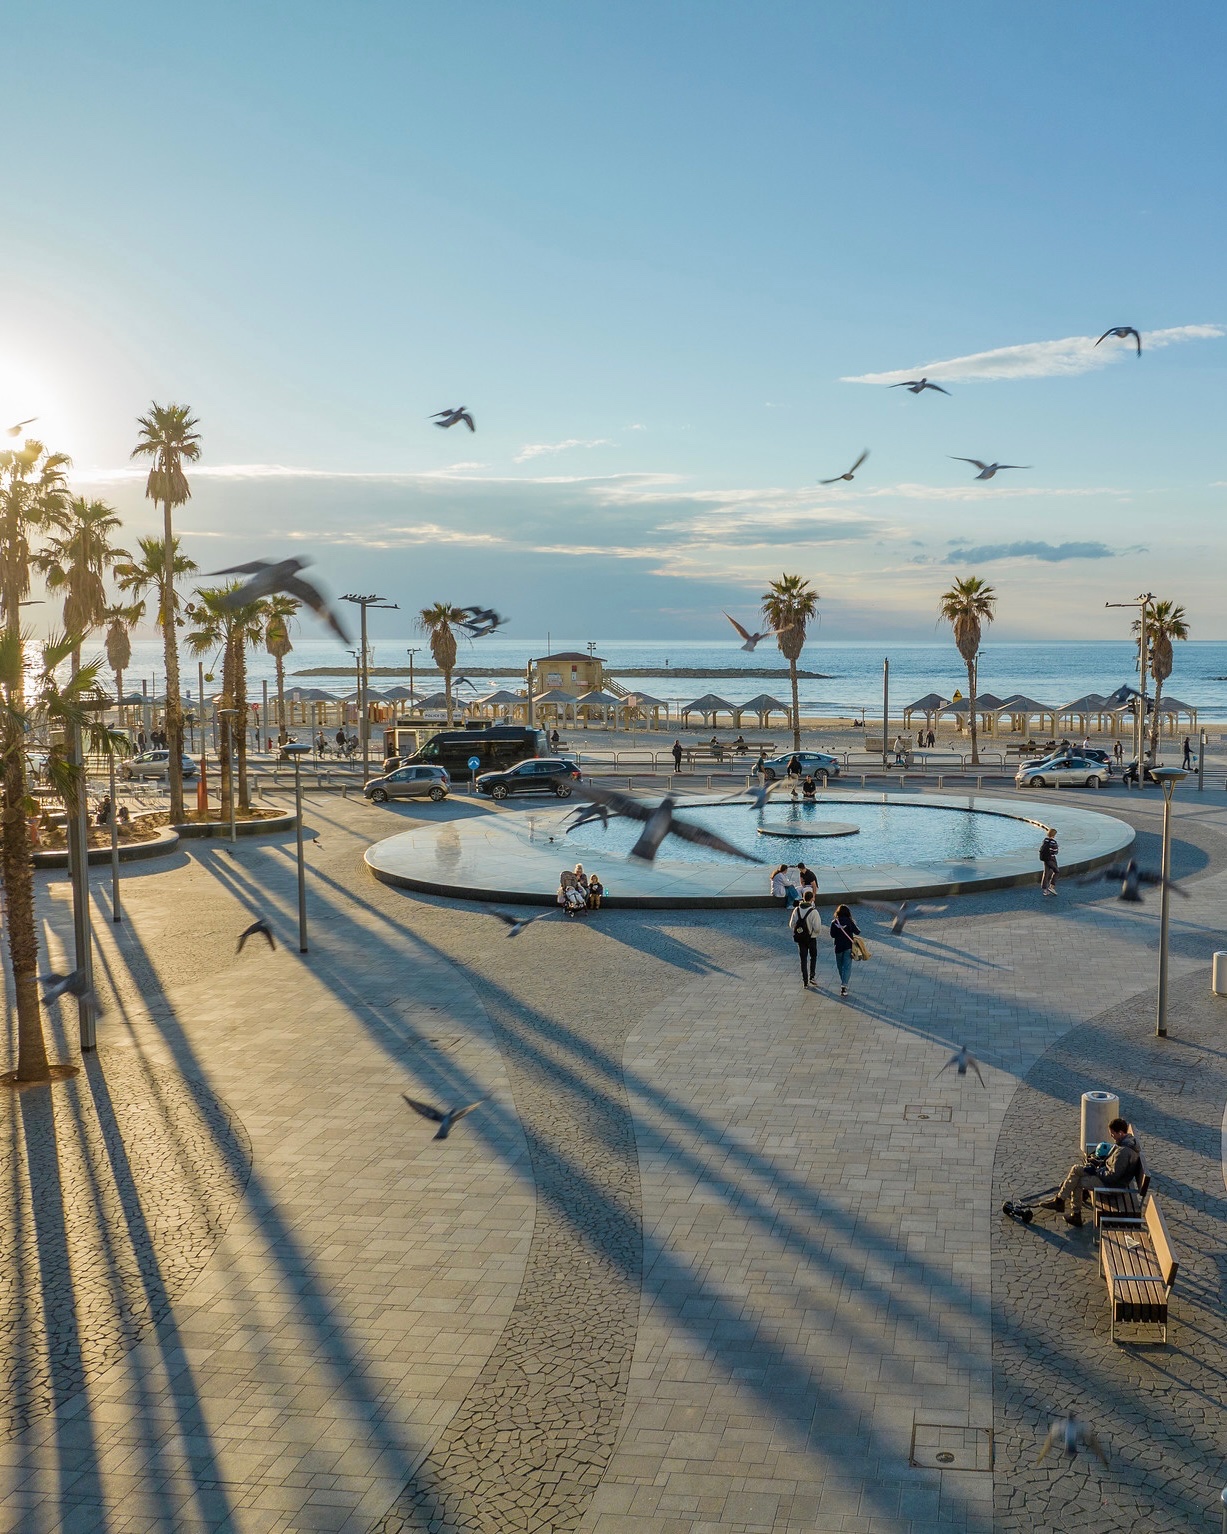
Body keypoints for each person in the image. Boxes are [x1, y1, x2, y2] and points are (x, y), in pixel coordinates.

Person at [1040, 1119, 1141, 1227]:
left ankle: (1074, 1213)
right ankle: (1060, 1201)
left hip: (1111, 1185)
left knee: (1077, 1182)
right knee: (1076, 1169)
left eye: (1113, 1133)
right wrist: (1097, 1163)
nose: (1112, 1136)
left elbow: (1113, 1176)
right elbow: (1111, 1165)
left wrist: (1096, 1171)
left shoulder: (1124, 1152)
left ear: (1120, 1133)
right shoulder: (1124, 1143)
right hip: (1105, 1174)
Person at [789, 891, 822, 988]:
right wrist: (814, 933)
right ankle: (812, 976)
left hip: (800, 939)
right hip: (811, 938)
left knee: (803, 959)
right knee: (813, 957)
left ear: (803, 898)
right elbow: (817, 927)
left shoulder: (796, 910)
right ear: (812, 899)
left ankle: (805, 981)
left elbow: (791, 924)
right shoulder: (814, 912)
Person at [829, 904, 861, 997]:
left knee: (840, 966)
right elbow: (857, 932)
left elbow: (832, 935)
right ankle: (844, 985)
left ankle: (843, 981)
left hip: (838, 947)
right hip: (848, 947)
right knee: (847, 967)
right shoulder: (850, 922)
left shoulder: (834, 922)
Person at [1039, 827, 1059, 896]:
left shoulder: (1045, 840)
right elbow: (1055, 852)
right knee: (1056, 871)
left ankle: (1045, 890)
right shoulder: (1053, 842)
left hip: (1045, 858)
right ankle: (1052, 886)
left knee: (1046, 873)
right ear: (1054, 835)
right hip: (1051, 859)